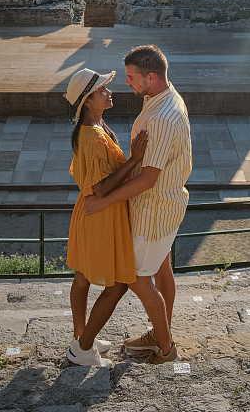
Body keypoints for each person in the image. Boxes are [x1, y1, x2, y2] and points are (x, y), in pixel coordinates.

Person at [85, 44, 192, 365]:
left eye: (132, 77)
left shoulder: (162, 117)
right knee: (162, 267)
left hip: (153, 210)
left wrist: (100, 202)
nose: (127, 83)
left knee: (136, 279)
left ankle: (165, 347)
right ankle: (162, 332)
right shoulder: (163, 98)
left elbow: (147, 179)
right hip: (168, 204)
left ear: (151, 76)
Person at [64, 67, 148, 367]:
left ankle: (80, 337)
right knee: (117, 284)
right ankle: (82, 350)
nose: (109, 92)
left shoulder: (92, 127)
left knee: (83, 275)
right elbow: (100, 188)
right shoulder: (94, 137)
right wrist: (135, 160)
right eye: (102, 90)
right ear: (88, 101)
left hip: (88, 213)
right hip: (100, 215)